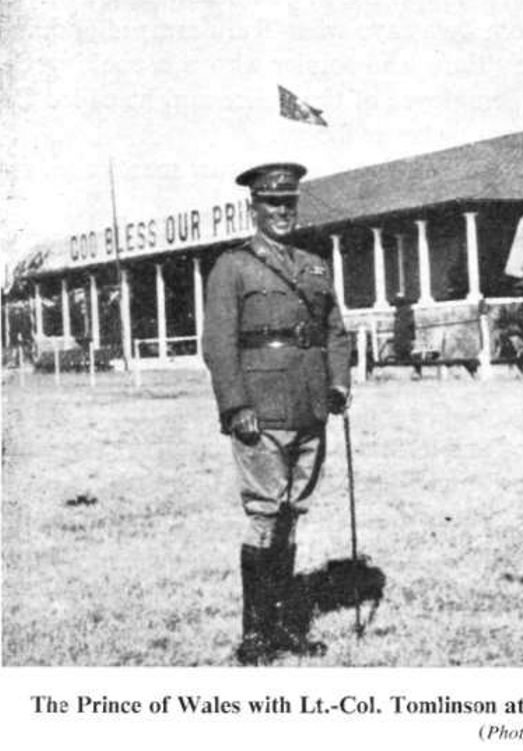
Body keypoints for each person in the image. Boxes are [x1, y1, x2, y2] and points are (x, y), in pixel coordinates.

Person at [202, 162, 352, 664]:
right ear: (255, 208)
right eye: (273, 202)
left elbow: (334, 330)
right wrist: (236, 405)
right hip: (261, 411)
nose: (283, 211)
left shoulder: (314, 264)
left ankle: (286, 627)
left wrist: (338, 382)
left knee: (291, 515)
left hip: (311, 406)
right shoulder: (233, 266)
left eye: (290, 202)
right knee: (266, 516)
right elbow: (218, 344)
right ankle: (256, 634)